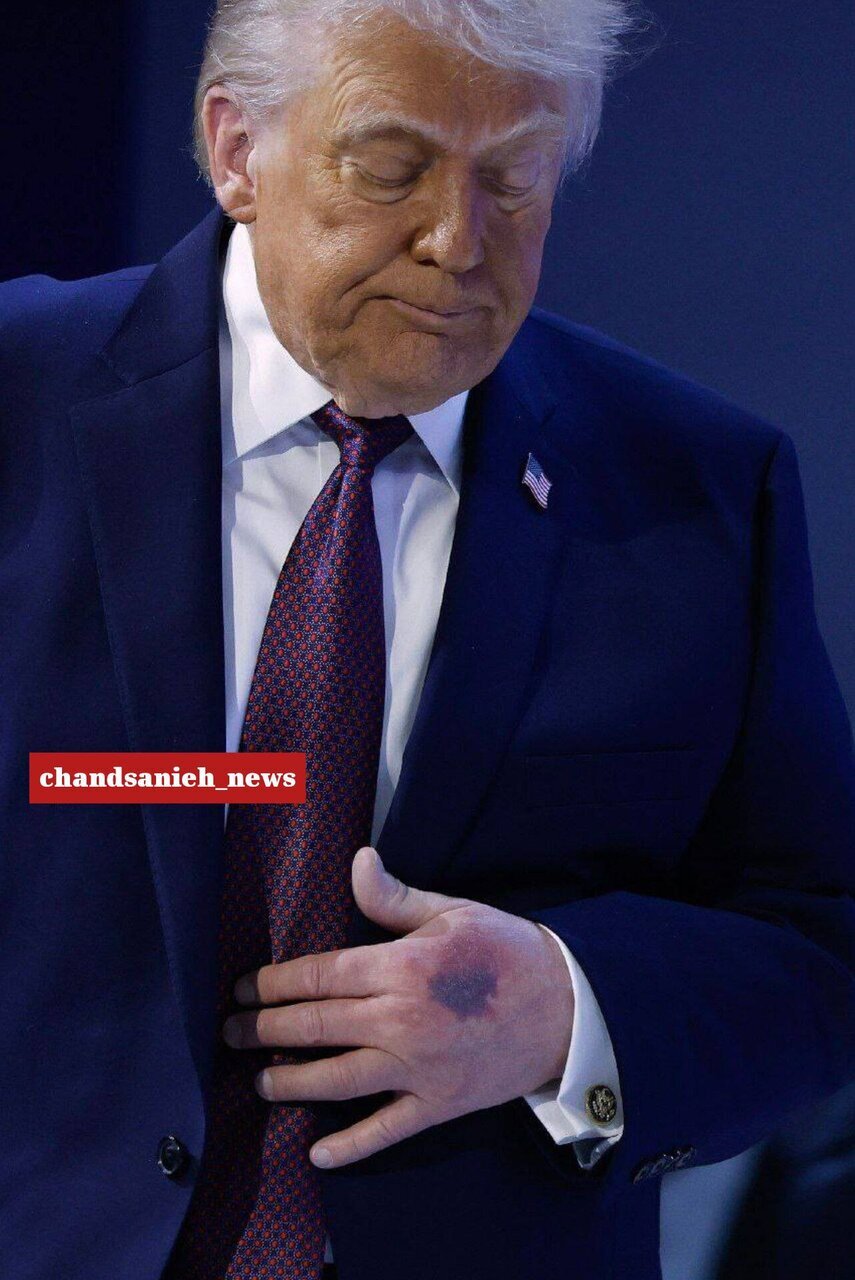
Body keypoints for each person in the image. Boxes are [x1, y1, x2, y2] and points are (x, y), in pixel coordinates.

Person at [1, 2, 853, 1278]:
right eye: (390, 168)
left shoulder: (699, 492)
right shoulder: (19, 397)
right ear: (237, 150)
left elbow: (818, 949)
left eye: (515, 178)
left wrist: (570, 1009)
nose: (458, 241)